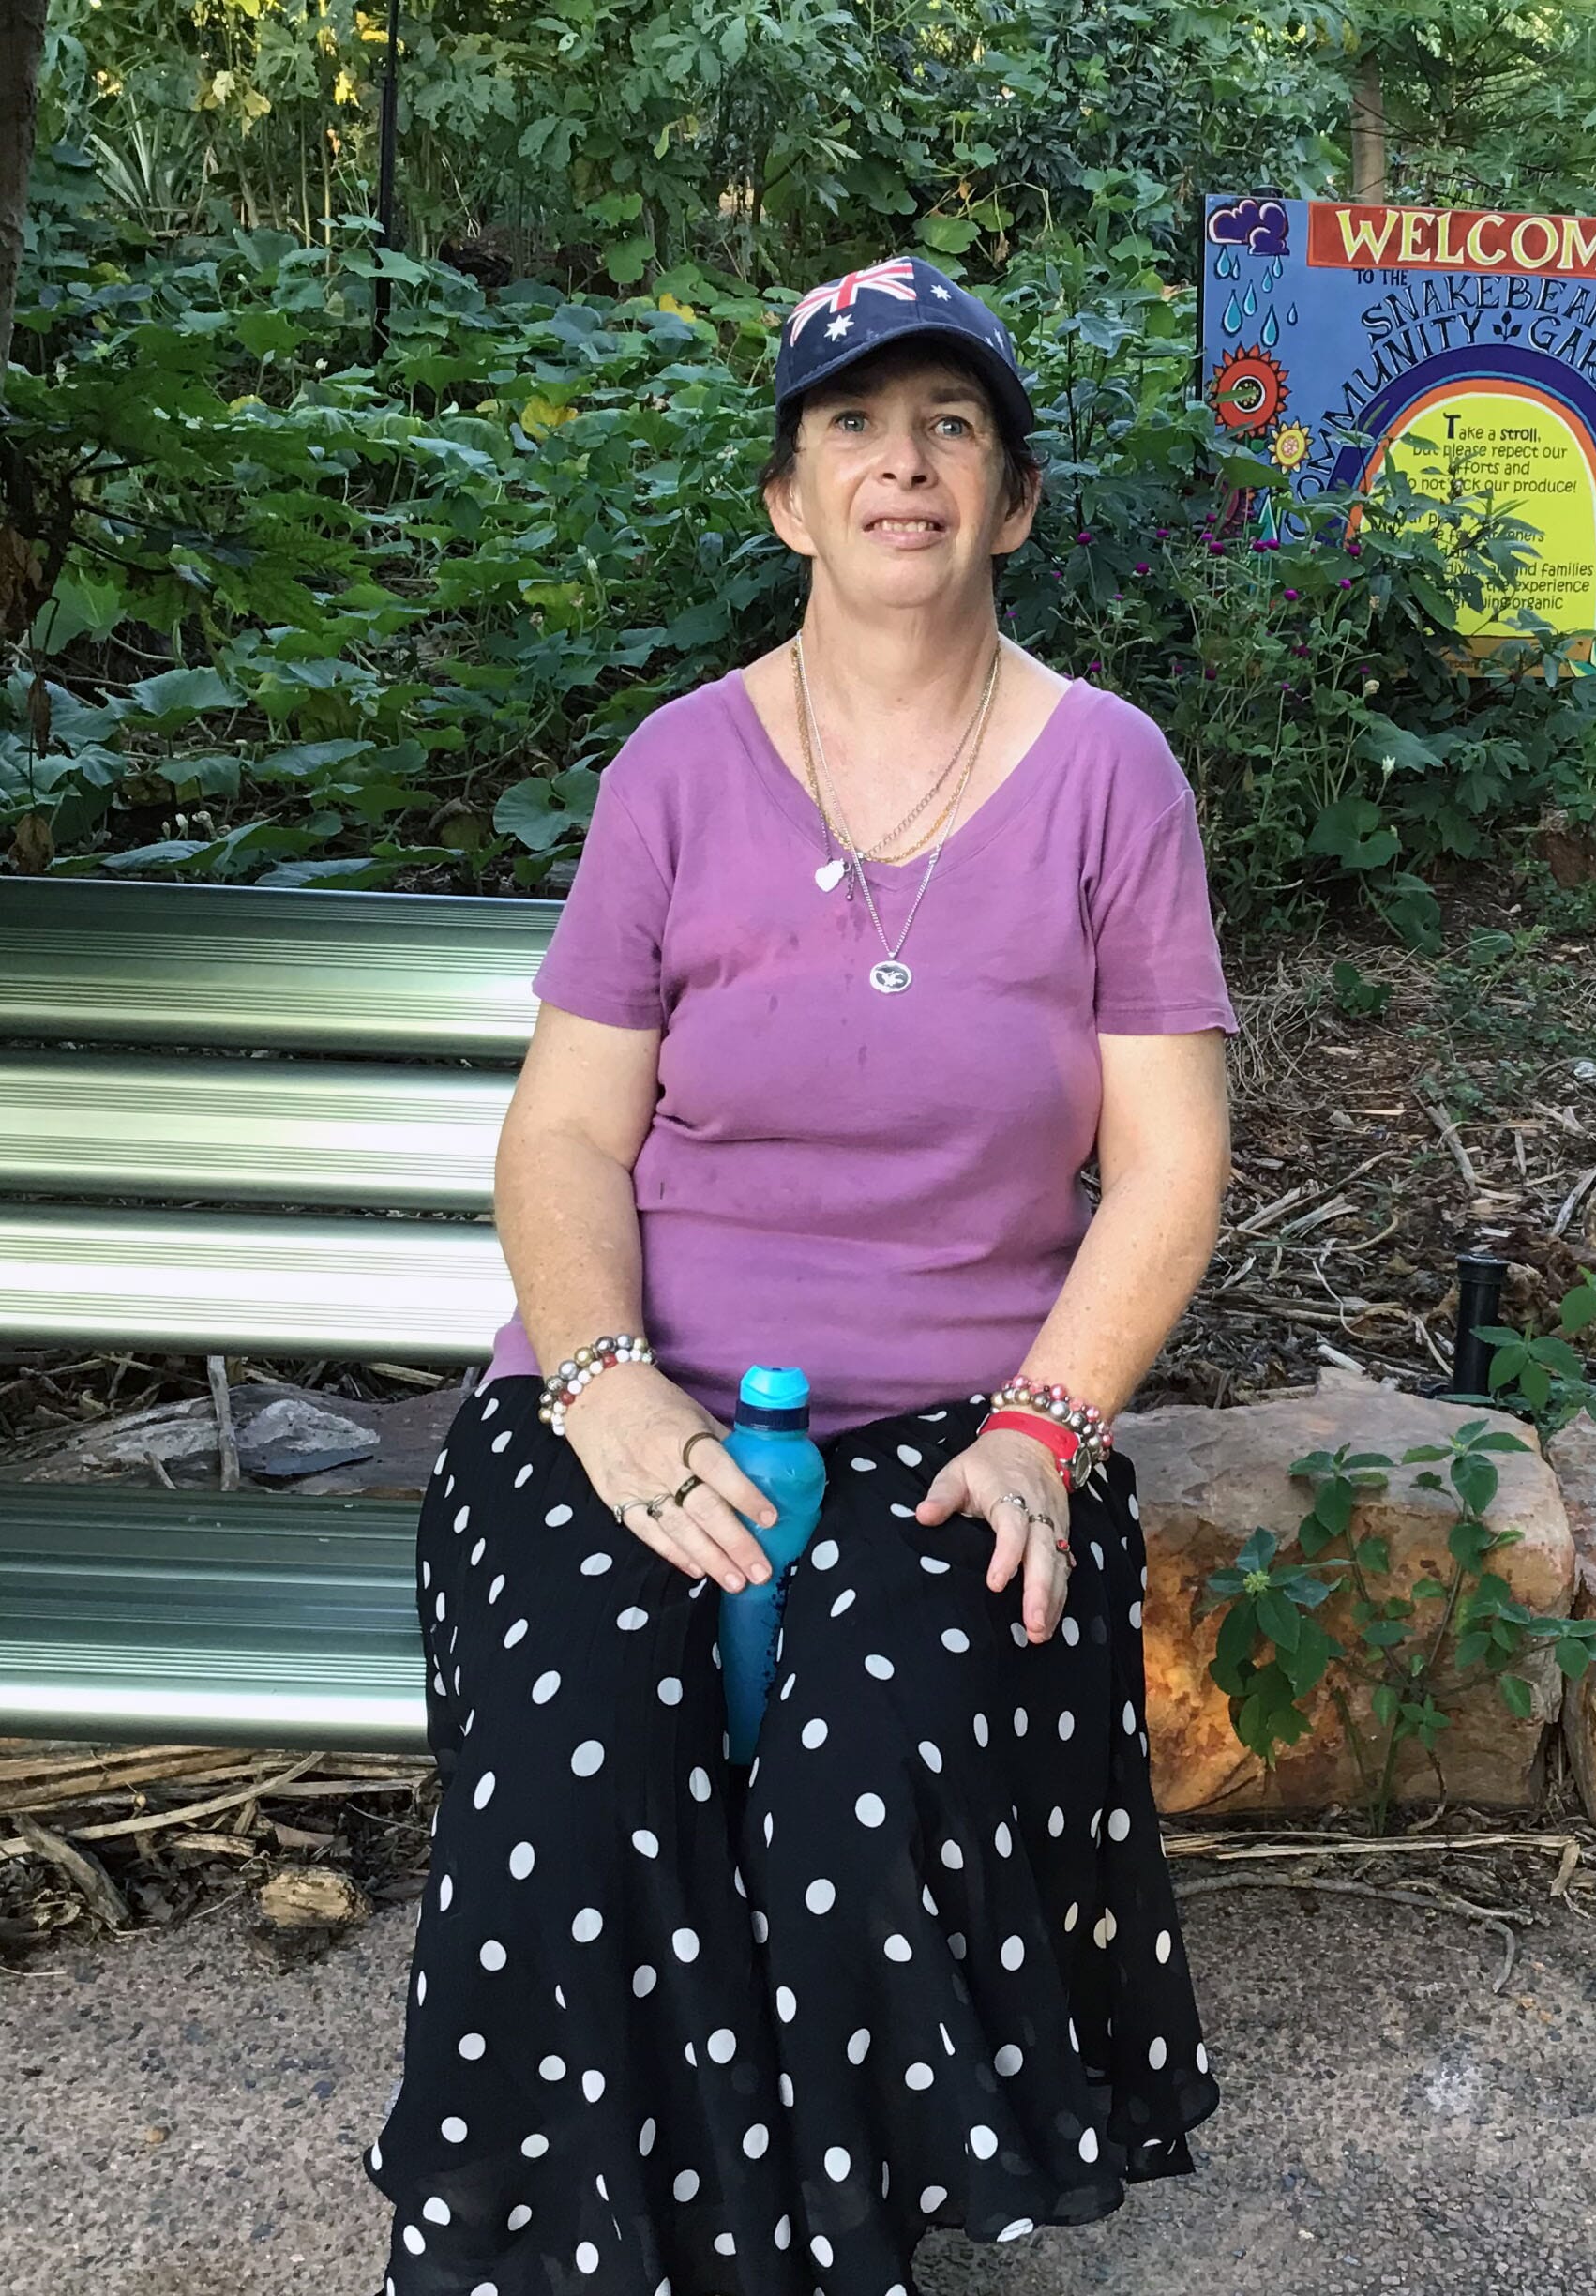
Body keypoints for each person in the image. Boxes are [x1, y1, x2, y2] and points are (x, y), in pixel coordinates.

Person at [366, 255, 1238, 2295]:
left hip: (966, 1412)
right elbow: (567, 1138)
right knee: (589, 1743)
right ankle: (560, 2254)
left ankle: (822, 2245)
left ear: (1012, 502)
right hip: (630, 1383)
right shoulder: (679, 770)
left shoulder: (1113, 777)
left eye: (949, 427)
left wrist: (1049, 1428)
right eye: (855, 424)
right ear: (789, 500)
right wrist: (602, 1382)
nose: (904, 462)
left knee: (874, 1746)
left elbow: (1168, 1166)